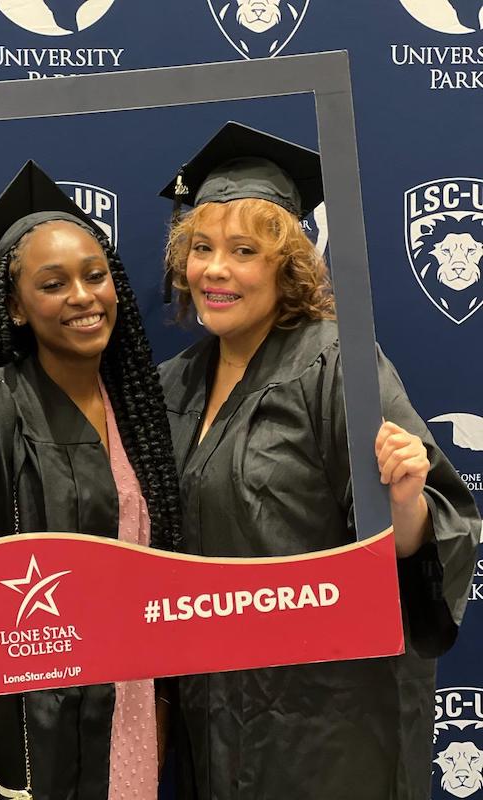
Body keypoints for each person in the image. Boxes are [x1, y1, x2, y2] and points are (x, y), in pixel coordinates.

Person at [159, 121, 480, 800]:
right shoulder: (170, 386)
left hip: (325, 720)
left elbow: (436, 535)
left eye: (243, 250)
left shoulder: (338, 363)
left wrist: (406, 504)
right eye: (201, 247)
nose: (214, 269)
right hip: (207, 710)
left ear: (287, 265)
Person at [0, 161, 180, 800]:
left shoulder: (143, 414)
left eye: (94, 275)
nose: (81, 295)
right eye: (53, 283)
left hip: (127, 707)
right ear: (14, 307)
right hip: (23, 727)